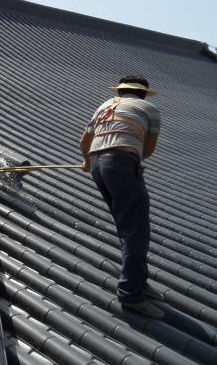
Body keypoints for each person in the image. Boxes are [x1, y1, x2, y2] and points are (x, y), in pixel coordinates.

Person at [80, 75, 165, 318]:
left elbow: (84, 141)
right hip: (122, 163)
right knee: (136, 229)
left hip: (97, 164)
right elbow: (147, 151)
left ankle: (139, 280)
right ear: (143, 94)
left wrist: (88, 161)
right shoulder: (150, 109)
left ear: (120, 91)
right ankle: (131, 294)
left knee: (126, 225)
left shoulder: (105, 105)